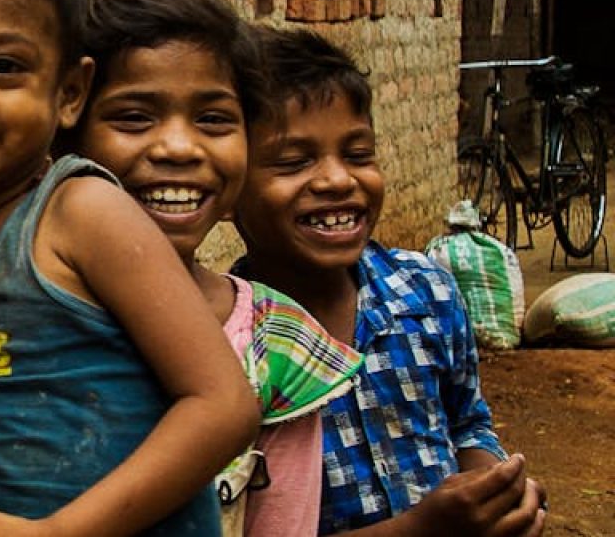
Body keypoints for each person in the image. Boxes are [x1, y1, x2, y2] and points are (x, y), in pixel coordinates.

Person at [0, 0, 260, 535]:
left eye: (2, 67)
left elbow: (224, 408)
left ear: (70, 93)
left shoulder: (81, 213)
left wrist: (61, 532)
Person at [58, 0, 364, 537]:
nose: (178, 147)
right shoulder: (20, 311)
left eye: (214, 119)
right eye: (133, 117)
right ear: (68, 130)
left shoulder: (274, 345)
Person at [231, 27, 546, 537]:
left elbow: (466, 420)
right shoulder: (233, 348)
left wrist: (496, 492)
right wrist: (424, 529)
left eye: (357, 154)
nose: (337, 180)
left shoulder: (426, 291)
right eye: (294, 161)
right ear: (228, 188)